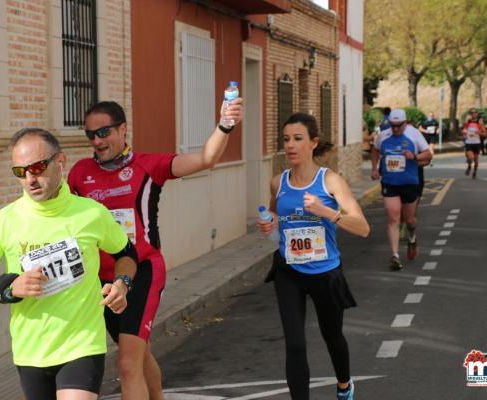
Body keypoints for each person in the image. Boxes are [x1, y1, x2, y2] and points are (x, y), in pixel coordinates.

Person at [68, 98, 243, 399]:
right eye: (91, 135)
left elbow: (205, 158)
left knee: (126, 364)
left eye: (104, 132)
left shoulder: (148, 166)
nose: (97, 141)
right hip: (102, 282)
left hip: (143, 272)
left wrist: (225, 124)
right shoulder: (80, 173)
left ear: (123, 129)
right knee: (139, 352)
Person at [0, 128, 138, 400]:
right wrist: (9, 288)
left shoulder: (91, 213)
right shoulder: (5, 220)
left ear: (60, 162)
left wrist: (122, 283)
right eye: (20, 172)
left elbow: (126, 254)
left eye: (37, 167)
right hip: (31, 349)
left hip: (82, 343)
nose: (30, 179)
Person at [257, 112, 370, 400]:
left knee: (332, 337)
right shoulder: (278, 182)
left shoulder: (330, 181)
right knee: (294, 344)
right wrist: (269, 220)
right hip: (289, 271)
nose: (290, 146)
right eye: (286, 139)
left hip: (325, 273)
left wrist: (328, 212)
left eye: (297, 139)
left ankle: (344, 384)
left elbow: (363, 227)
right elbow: (274, 210)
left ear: (313, 143)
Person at [371, 109, 432, 270]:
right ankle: (395, 255)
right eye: (393, 126)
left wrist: (415, 156)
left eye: (399, 126)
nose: (395, 129)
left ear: (405, 123)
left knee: (410, 220)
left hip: (409, 182)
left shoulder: (414, 135)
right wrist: (375, 168)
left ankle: (412, 237)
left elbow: (428, 155)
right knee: (393, 217)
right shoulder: (383, 135)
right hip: (390, 182)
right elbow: (375, 149)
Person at [462, 108, 487, 179]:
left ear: (477, 114)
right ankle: (469, 166)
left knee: (476, 161)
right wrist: (464, 133)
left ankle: (474, 172)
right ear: (470, 114)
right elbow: (463, 131)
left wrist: (480, 133)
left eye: (475, 112)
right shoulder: (467, 122)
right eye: (472, 112)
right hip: (469, 143)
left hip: (476, 143)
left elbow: (485, 134)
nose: (474, 114)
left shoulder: (479, 123)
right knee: (471, 157)